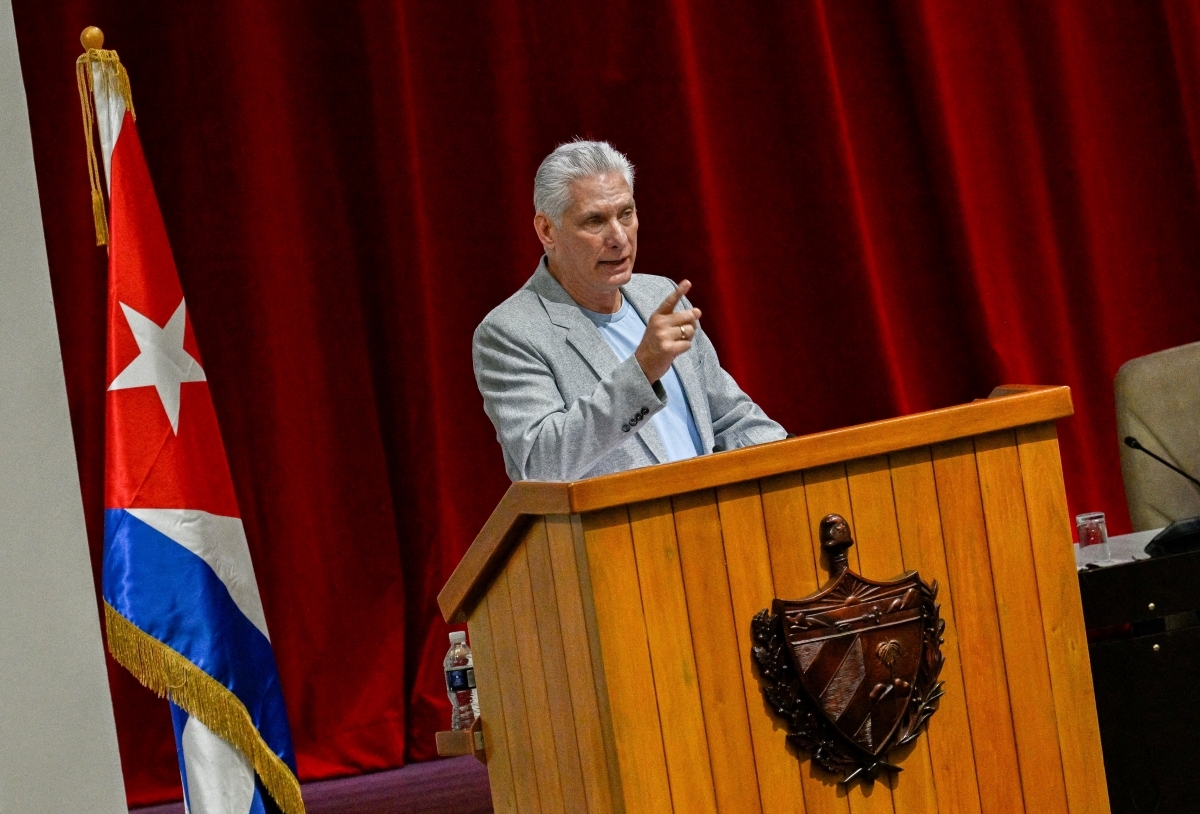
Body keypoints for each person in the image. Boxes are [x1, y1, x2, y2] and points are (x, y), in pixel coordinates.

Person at [473, 139, 786, 482]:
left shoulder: (660, 295)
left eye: (626, 214)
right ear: (547, 230)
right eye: (595, 221)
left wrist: (795, 461)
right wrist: (642, 370)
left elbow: (730, 418)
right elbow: (542, 464)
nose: (619, 238)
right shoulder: (510, 332)